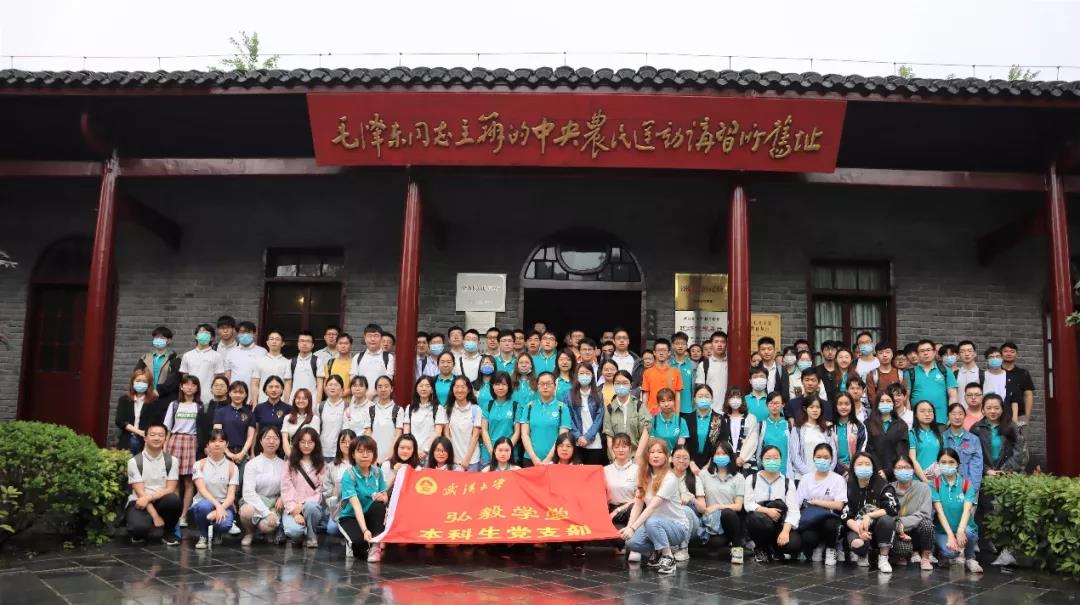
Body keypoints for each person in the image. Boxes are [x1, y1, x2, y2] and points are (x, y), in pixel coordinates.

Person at [971, 393, 1029, 567]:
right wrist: (987, 471)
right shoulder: (976, 428)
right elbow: (973, 455)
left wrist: (1003, 472)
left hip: (1008, 478)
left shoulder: (1011, 427)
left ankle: (1008, 550)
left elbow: (1021, 453)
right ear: (983, 409)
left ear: (1002, 409)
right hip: (987, 477)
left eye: (996, 407)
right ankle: (989, 544)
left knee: (1006, 512)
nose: (993, 411)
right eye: (988, 408)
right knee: (986, 512)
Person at [620, 438, 691, 575]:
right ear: (647, 455)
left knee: (651, 521)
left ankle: (668, 557)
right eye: (652, 452)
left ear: (666, 456)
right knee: (631, 542)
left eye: (659, 452)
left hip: (677, 527)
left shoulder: (670, 478)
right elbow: (638, 505)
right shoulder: (643, 475)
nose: (655, 455)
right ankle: (658, 552)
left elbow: (652, 507)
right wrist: (629, 527)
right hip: (653, 525)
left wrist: (633, 528)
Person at [841, 451, 899, 572]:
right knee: (857, 543)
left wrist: (869, 515)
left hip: (879, 530)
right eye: (859, 464)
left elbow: (892, 509)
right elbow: (846, 516)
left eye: (867, 464)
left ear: (873, 467)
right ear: (853, 468)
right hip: (857, 528)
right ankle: (863, 554)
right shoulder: (848, 487)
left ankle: (883, 558)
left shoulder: (883, 486)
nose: (864, 467)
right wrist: (860, 531)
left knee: (887, 521)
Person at [744, 445, 802, 564]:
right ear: (761, 460)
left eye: (775, 458)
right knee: (755, 518)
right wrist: (767, 511)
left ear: (781, 460)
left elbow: (794, 511)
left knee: (794, 545)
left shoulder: (787, 482)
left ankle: (776, 549)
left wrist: (785, 531)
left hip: (780, 523)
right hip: (761, 521)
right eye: (768, 458)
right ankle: (761, 548)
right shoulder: (752, 479)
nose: (772, 461)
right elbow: (748, 504)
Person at [125, 423, 181, 545]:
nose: (157, 438)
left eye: (161, 435)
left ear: (166, 438)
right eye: (153, 435)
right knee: (138, 528)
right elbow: (140, 493)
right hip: (140, 502)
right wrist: (155, 516)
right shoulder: (134, 462)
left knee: (173, 500)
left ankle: (168, 532)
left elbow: (171, 488)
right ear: (145, 438)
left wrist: (150, 497)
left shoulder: (172, 461)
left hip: (161, 500)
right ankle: (139, 530)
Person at [793, 443, 847, 565]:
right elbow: (797, 503)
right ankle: (817, 547)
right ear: (813, 458)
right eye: (819, 457)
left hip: (830, 517)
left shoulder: (838, 479)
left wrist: (816, 502)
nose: (822, 460)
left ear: (831, 459)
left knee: (831, 525)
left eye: (826, 457)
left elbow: (839, 505)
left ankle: (831, 549)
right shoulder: (806, 478)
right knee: (808, 537)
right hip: (811, 517)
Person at [931, 448, 983, 573]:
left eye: (951, 462)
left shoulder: (966, 484)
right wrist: (950, 534)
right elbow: (939, 512)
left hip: (964, 528)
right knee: (951, 553)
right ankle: (944, 554)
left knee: (969, 532)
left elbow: (967, 510)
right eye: (943, 462)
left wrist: (960, 530)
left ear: (958, 464)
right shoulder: (934, 484)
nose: (947, 465)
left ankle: (970, 558)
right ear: (938, 464)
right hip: (943, 531)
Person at [338, 435, 389, 562]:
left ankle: (375, 544)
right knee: (360, 545)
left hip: (369, 514)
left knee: (379, 506)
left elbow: (385, 496)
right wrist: (365, 530)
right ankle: (353, 543)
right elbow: (356, 506)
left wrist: (382, 498)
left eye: (369, 451)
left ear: (374, 454)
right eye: (360, 451)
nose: (365, 455)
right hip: (350, 516)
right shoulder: (349, 476)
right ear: (353, 454)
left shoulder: (377, 472)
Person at [694, 441, 746, 564]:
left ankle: (737, 548)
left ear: (730, 456)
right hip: (712, 522)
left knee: (728, 513)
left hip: (730, 520)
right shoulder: (704, 475)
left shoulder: (739, 478)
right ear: (713, 456)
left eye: (724, 454)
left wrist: (717, 506)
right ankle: (727, 541)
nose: (721, 456)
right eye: (718, 453)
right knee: (715, 544)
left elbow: (738, 506)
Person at [164, 375, 206, 525]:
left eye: (193, 385)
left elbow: (201, 428)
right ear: (181, 387)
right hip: (175, 440)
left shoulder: (200, 406)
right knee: (174, 480)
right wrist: (165, 447)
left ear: (197, 388)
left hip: (191, 441)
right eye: (186, 384)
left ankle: (184, 515)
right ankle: (175, 514)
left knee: (189, 481)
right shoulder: (174, 405)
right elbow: (168, 429)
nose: (189, 387)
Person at [188, 429, 238, 549]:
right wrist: (217, 506)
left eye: (221, 441)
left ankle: (217, 533)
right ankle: (203, 535)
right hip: (204, 502)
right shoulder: (199, 465)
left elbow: (231, 495)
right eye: (213, 441)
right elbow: (202, 490)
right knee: (203, 507)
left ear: (227, 444)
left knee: (225, 525)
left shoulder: (232, 467)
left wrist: (221, 508)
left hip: (224, 503)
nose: (217, 444)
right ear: (207, 444)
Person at [239, 426, 286, 546]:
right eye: (268, 438)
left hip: (274, 503)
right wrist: (267, 513)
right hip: (255, 500)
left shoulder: (284, 465)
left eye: (275, 438)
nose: (271, 441)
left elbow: (287, 487)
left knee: (266, 526)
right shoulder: (252, 464)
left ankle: (267, 531)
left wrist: (282, 497)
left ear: (280, 441)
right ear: (260, 441)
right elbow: (248, 493)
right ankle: (249, 533)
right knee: (246, 511)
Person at [889, 455, 934, 570]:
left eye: (906, 467)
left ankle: (925, 557)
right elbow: (887, 514)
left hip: (916, 529)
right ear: (894, 471)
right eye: (899, 468)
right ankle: (906, 554)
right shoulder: (889, 489)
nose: (903, 470)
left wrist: (902, 522)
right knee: (904, 550)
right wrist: (898, 526)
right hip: (898, 531)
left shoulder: (923, 488)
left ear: (913, 469)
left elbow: (925, 514)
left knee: (927, 524)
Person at [519, 372, 573, 467]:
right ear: (537, 386)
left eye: (548, 383)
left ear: (554, 386)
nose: (545, 387)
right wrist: (534, 458)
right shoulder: (529, 406)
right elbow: (524, 435)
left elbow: (562, 436)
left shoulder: (562, 408)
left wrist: (548, 459)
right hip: (530, 459)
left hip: (554, 460)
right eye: (542, 384)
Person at [602, 370, 650, 462]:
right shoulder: (609, 408)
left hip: (636, 456)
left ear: (631, 385)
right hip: (616, 458)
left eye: (625, 383)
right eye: (618, 383)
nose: (621, 386)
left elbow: (645, 432)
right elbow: (609, 436)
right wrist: (615, 458)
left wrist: (637, 456)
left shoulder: (639, 406)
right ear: (613, 385)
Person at [908, 339, 958, 423]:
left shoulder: (945, 371)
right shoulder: (910, 373)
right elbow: (906, 399)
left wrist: (952, 416)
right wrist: (909, 419)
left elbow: (953, 396)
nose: (925, 353)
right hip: (917, 421)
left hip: (941, 419)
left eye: (928, 350)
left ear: (934, 352)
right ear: (917, 354)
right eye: (922, 351)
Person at [116, 369, 165, 454]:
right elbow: (120, 421)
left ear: (149, 384)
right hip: (127, 440)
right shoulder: (124, 400)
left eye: (144, 381)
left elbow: (158, 422)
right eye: (138, 381)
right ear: (133, 382)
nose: (141, 383)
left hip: (146, 442)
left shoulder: (155, 402)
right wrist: (139, 432)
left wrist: (147, 434)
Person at [402, 375, 448, 466]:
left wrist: (426, 450)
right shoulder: (409, 408)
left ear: (432, 390)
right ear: (416, 389)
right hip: (412, 453)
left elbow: (438, 432)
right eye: (421, 386)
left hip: (430, 454)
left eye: (427, 386)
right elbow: (406, 433)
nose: (424, 389)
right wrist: (415, 449)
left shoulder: (438, 409)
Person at [567, 363, 605, 465]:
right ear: (576, 375)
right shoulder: (568, 394)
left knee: (592, 472)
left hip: (594, 442)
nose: (584, 376)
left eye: (587, 373)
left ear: (592, 376)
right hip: (576, 442)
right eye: (581, 373)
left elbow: (599, 418)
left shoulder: (599, 394)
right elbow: (568, 418)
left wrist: (587, 437)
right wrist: (578, 436)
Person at [865, 391, 909, 480]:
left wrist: (889, 471)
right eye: (882, 401)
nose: (885, 403)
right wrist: (879, 470)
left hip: (895, 473)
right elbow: (869, 449)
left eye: (888, 401)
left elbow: (902, 451)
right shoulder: (868, 424)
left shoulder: (902, 425)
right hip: (873, 472)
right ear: (877, 404)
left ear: (893, 404)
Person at [788, 398, 837, 479]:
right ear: (805, 409)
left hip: (825, 476)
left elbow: (833, 453)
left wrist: (827, 471)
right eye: (811, 407)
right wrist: (809, 474)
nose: (815, 410)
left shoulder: (826, 428)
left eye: (818, 407)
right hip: (803, 477)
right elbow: (795, 456)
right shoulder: (797, 429)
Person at [605, 433, 639, 544]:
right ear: (612, 449)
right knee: (616, 538)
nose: (621, 450)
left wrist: (619, 510)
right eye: (617, 447)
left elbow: (639, 498)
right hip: (611, 513)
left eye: (624, 446)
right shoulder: (605, 470)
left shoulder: (637, 470)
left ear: (630, 449)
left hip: (630, 512)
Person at [943, 403, 984, 493]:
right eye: (954, 414)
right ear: (948, 416)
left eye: (960, 414)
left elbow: (977, 466)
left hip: (968, 485)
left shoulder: (973, 439)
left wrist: (972, 488)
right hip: (945, 486)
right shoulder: (942, 438)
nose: (957, 417)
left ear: (965, 416)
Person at [321, 429, 356, 538]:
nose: (347, 445)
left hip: (357, 506)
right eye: (343, 442)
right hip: (338, 508)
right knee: (332, 529)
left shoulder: (360, 464)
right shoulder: (331, 466)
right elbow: (327, 490)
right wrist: (334, 504)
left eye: (350, 442)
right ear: (338, 444)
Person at [668, 445, 700, 563]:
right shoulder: (664, 476)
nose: (681, 460)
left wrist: (692, 499)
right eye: (678, 457)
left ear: (690, 460)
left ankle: (683, 548)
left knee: (685, 510)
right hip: (669, 518)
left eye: (685, 458)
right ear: (671, 459)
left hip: (692, 524)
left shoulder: (695, 479)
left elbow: (703, 509)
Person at [135, 326, 182, 405]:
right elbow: (137, 375)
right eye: (156, 337)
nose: (158, 339)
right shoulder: (145, 358)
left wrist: (158, 391)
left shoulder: (175, 359)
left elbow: (174, 379)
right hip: (146, 396)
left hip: (166, 398)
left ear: (169, 340)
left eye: (162, 337)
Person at [179, 324, 225, 403]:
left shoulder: (217, 356)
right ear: (196, 336)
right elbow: (185, 378)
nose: (203, 334)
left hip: (209, 397)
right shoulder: (187, 355)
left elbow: (219, 378)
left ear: (212, 338)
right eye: (201, 332)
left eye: (207, 333)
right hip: (191, 397)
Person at [480, 372, 518, 466]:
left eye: (504, 384)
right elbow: (484, 430)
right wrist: (493, 452)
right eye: (497, 384)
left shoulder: (515, 406)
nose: (500, 387)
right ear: (492, 386)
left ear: (509, 386)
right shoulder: (487, 405)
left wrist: (506, 450)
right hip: (488, 454)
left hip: (509, 455)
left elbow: (517, 432)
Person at [445, 375, 483, 471]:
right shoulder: (447, 409)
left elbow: (475, 436)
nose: (459, 390)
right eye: (456, 387)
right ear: (452, 389)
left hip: (472, 460)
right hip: (454, 460)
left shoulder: (476, 409)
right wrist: (452, 457)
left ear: (469, 389)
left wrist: (467, 459)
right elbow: (447, 434)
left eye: (463, 387)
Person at [213, 381, 256, 463]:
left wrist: (241, 454)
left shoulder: (250, 414)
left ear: (246, 395)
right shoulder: (221, 412)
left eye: (241, 392)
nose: (238, 395)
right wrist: (228, 453)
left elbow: (250, 437)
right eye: (235, 392)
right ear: (229, 393)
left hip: (243, 454)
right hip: (223, 453)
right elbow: (217, 434)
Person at [685, 384, 724, 470]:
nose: (703, 399)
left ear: (712, 399)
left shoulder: (719, 419)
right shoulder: (687, 419)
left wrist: (710, 464)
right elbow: (685, 443)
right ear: (694, 399)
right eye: (700, 396)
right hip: (690, 465)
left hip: (712, 465)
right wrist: (690, 462)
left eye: (707, 396)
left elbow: (722, 444)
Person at [720, 387, 759, 474]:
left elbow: (752, 440)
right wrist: (732, 458)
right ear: (727, 400)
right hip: (726, 460)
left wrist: (742, 458)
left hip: (746, 461)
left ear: (742, 400)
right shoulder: (721, 418)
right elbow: (721, 440)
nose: (735, 400)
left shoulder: (751, 418)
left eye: (738, 397)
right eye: (732, 397)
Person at [363, 375, 400, 464]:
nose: (383, 389)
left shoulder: (398, 410)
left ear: (391, 389)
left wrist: (391, 453)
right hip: (373, 457)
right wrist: (371, 454)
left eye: (386, 386)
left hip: (391, 457)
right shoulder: (370, 410)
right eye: (380, 387)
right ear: (376, 390)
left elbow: (398, 433)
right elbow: (368, 432)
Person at [251, 330, 292, 404]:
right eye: (271, 339)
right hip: (262, 402)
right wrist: (254, 404)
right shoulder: (259, 361)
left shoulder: (287, 362)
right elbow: (255, 384)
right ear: (267, 342)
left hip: (281, 403)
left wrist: (286, 404)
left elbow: (287, 385)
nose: (274, 341)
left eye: (277, 339)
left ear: (282, 343)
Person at [225, 321, 267, 393]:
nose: (245, 335)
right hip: (235, 394)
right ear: (237, 334)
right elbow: (227, 376)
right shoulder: (231, 352)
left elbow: (265, 375)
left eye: (248, 332)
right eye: (242, 332)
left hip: (254, 394)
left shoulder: (262, 352)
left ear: (254, 334)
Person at [756, 392, 791, 474]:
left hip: (785, 471)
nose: (774, 406)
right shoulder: (761, 425)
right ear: (766, 405)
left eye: (777, 403)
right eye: (771, 403)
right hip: (766, 470)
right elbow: (757, 451)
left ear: (783, 405)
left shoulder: (788, 426)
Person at [909, 400, 944, 482]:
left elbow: (944, 458)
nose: (927, 414)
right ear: (915, 414)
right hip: (918, 480)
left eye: (930, 411)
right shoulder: (912, 434)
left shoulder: (939, 434)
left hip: (938, 480)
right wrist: (925, 481)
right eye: (922, 411)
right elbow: (912, 460)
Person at [832, 392, 866, 475]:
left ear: (852, 406)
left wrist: (853, 467)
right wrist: (841, 469)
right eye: (840, 404)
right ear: (835, 406)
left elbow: (862, 448)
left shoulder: (859, 426)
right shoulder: (830, 427)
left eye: (847, 404)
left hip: (855, 469)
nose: (843, 407)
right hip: (834, 470)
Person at [1000, 342, 1035, 423]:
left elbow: (1028, 395)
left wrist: (1027, 417)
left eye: (1012, 351)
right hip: (999, 414)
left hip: (1020, 415)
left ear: (1017, 355)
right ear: (1001, 354)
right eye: (1005, 351)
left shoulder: (1023, 373)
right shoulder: (995, 373)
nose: (1009, 354)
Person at [352, 324, 395, 388]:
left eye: (376, 336)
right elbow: (353, 379)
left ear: (381, 338)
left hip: (381, 394)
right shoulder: (357, 357)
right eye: (369, 336)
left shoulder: (389, 357)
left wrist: (373, 392)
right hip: (361, 394)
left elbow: (388, 380)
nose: (372, 339)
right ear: (365, 338)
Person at [281, 389, 321, 457]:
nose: (301, 401)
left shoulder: (315, 419)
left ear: (309, 401)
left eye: (304, 398)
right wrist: (292, 457)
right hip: (292, 454)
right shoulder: (287, 418)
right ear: (294, 400)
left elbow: (315, 441)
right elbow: (285, 440)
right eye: (298, 398)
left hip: (309, 456)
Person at [694, 332, 729, 408]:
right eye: (716, 342)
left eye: (722, 342)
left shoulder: (732, 364)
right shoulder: (704, 364)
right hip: (710, 408)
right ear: (712, 344)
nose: (719, 345)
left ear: (726, 344)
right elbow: (700, 388)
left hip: (728, 408)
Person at [317, 376, 347, 463]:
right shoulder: (320, 406)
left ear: (342, 389)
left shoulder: (347, 407)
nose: (332, 387)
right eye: (330, 385)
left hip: (340, 452)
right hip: (322, 451)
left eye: (336, 385)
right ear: (326, 388)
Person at [290, 331, 325, 405]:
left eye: (308, 341)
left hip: (312, 402)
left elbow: (320, 385)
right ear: (298, 344)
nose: (304, 344)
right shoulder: (291, 362)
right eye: (302, 341)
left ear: (312, 345)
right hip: (294, 402)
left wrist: (317, 404)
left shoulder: (317, 361)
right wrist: (287, 404)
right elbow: (288, 385)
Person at [650, 388, 688, 454]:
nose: (666, 404)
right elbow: (652, 444)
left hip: (675, 456)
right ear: (658, 404)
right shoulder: (653, 421)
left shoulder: (681, 422)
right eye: (663, 401)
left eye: (670, 400)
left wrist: (672, 457)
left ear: (674, 401)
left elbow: (679, 447)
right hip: (658, 456)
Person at [200, 376, 231, 457]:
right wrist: (205, 446)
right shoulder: (205, 408)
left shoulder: (231, 407)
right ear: (211, 389)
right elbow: (200, 429)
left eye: (222, 386)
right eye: (216, 385)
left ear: (227, 389)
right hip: (206, 450)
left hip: (228, 450)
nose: (218, 388)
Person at [669, 332, 696, 422]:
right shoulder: (668, 364)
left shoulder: (692, 365)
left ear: (687, 346)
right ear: (673, 345)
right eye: (677, 343)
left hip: (688, 408)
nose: (680, 346)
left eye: (683, 344)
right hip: (669, 407)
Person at [756, 337, 789, 401]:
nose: (766, 352)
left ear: (774, 351)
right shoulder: (755, 369)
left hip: (776, 405)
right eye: (763, 349)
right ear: (759, 352)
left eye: (769, 349)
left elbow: (785, 393)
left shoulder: (782, 369)